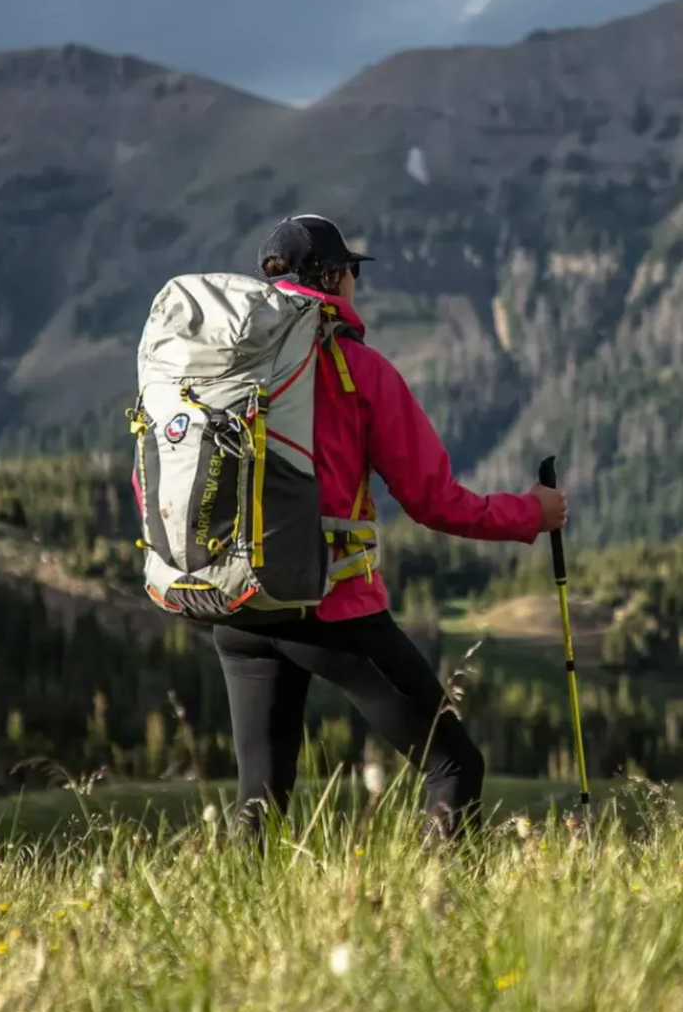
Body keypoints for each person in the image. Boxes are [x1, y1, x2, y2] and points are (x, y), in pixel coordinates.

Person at [212, 214, 568, 840]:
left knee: (259, 797)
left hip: (236, 601)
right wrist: (531, 515)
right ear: (332, 279)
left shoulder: (225, 368)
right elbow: (435, 501)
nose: (356, 284)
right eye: (351, 271)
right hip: (328, 606)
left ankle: (230, 932)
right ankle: (442, 920)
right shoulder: (359, 370)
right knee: (455, 768)